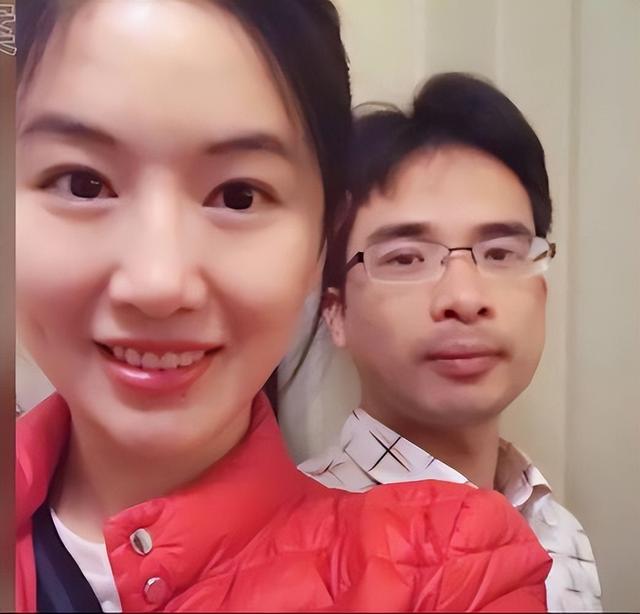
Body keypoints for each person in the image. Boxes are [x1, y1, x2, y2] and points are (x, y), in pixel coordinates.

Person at [15, 2, 550, 611]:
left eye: (238, 195)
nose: (157, 284)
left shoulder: (447, 573)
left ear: (324, 239)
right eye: (82, 184)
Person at [300, 72, 602, 612]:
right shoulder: (288, 549)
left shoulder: (561, 533)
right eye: (406, 259)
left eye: (501, 254)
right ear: (335, 311)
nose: (464, 297)